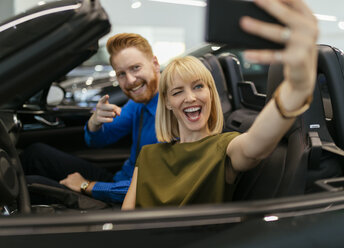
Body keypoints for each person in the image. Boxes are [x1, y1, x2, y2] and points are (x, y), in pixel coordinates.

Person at [122, 0, 318, 209]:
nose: (190, 98)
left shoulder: (224, 148)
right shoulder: (148, 155)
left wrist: (296, 89)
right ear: (168, 103)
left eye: (198, 87)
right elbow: (124, 222)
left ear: (211, 93)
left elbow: (256, 146)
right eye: (178, 92)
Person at [21, 33, 160, 204]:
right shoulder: (138, 103)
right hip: (117, 183)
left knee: (30, 186)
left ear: (154, 63)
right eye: (121, 74)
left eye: (136, 68)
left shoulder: (173, 116)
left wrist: (87, 185)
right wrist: (95, 123)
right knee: (36, 154)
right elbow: (97, 141)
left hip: (125, 199)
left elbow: (147, 189)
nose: (130, 80)